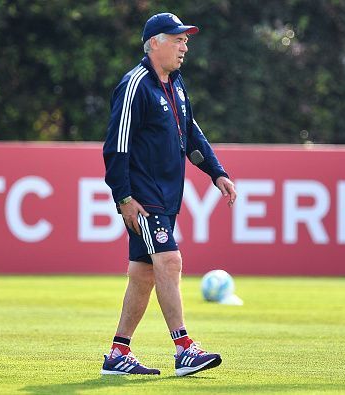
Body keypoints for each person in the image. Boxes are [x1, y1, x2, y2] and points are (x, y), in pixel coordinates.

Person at [101, 12, 237, 377]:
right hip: (145, 198)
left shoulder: (175, 84)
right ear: (155, 42)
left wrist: (216, 172)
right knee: (170, 261)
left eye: (185, 38)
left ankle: (118, 354)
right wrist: (123, 197)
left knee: (144, 273)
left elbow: (191, 133)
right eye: (177, 38)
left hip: (166, 194)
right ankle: (184, 348)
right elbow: (116, 146)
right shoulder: (136, 84)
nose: (185, 44)